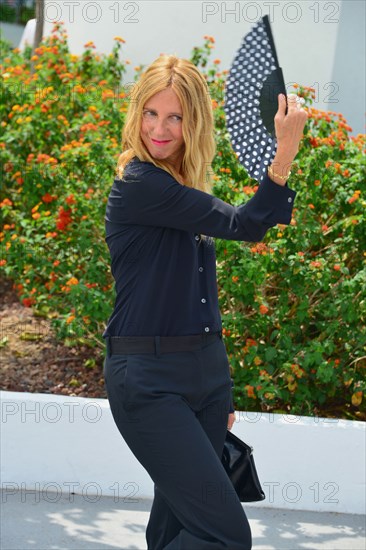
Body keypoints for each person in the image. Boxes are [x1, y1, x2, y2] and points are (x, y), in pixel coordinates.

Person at [102, 55, 307, 550]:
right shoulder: (140, 186)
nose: (160, 128)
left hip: (203, 376)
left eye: (174, 116)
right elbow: (246, 224)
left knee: (175, 527)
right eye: (151, 113)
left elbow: (197, 294)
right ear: (137, 115)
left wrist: (217, 387)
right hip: (147, 381)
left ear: (193, 122)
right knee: (224, 534)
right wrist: (285, 152)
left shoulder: (177, 187)